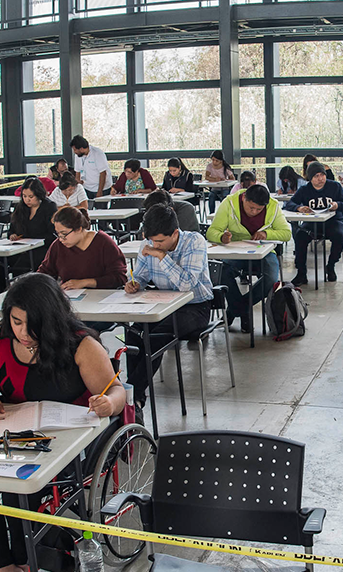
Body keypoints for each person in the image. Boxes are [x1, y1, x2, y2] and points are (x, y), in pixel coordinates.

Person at [0, 273, 125, 572]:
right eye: (16, 321)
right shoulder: (2, 339)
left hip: (68, 441)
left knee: (18, 488)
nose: (23, 332)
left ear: (50, 319)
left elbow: (117, 392)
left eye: (32, 324)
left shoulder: (80, 345)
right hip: (14, 436)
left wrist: (107, 403)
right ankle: (4, 566)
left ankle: (25, 562)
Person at [123, 205, 214, 409]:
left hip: (195, 306)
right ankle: (134, 396)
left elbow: (186, 284)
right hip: (162, 305)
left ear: (174, 233)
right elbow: (141, 275)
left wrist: (162, 257)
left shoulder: (194, 242)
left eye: (161, 241)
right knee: (133, 332)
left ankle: (131, 394)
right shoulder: (149, 242)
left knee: (157, 337)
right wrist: (135, 283)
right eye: (152, 241)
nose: (155, 245)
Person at [206, 184, 291, 331]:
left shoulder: (273, 206)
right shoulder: (229, 203)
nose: (254, 212)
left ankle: (235, 310)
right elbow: (211, 232)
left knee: (271, 279)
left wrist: (267, 234)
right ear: (244, 198)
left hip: (264, 252)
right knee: (222, 271)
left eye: (259, 209)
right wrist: (221, 237)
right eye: (251, 207)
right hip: (235, 251)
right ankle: (243, 311)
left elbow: (286, 233)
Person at [0, 178, 57, 293]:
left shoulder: (49, 207)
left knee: (21, 269)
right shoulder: (20, 208)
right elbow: (12, 230)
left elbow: (53, 234)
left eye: (31, 197)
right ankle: (5, 293)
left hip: (40, 248)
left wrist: (35, 241)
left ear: (39, 194)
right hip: (19, 247)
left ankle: (21, 295)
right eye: (24, 196)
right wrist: (13, 235)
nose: (27, 200)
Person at [37, 206, 127, 291]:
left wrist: (85, 282)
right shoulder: (58, 245)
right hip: (71, 298)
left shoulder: (103, 242)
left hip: (102, 298)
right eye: (58, 234)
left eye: (64, 234)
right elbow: (44, 273)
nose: (61, 239)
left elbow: (119, 278)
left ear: (79, 229)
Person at [284, 161, 343, 284]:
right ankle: (301, 273)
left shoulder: (335, 187)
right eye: (316, 176)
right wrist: (299, 208)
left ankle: (331, 266)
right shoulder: (304, 189)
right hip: (312, 223)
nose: (320, 179)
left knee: (340, 235)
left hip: (332, 221)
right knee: (300, 235)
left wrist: (337, 205)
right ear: (310, 178)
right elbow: (290, 204)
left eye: (322, 175)